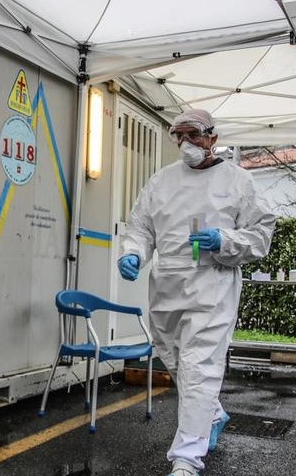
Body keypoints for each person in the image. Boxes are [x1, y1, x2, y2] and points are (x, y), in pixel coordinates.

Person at [116, 109, 275, 476]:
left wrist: (225, 240)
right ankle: (213, 413)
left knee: (198, 365)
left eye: (194, 135)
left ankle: (187, 459)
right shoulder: (161, 181)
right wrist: (133, 254)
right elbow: (141, 227)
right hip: (167, 285)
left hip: (212, 285)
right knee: (174, 359)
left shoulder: (238, 182)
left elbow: (260, 236)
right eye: (180, 136)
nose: (186, 143)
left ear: (213, 138)